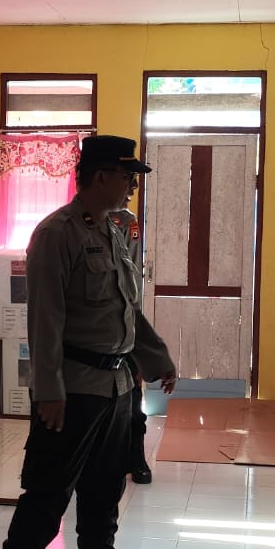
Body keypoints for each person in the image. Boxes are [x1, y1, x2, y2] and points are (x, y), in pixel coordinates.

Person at [0, 135, 178, 549]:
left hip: (116, 386)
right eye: (127, 175)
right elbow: (45, 319)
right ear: (101, 176)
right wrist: (48, 390)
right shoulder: (57, 234)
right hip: (73, 389)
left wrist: (156, 357)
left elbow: (126, 311)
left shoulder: (114, 232)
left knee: (104, 488)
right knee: (49, 490)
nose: (132, 185)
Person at [106, 204, 154, 484]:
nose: (131, 186)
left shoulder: (127, 221)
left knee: (134, 400)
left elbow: (133, 273)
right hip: (90, 330)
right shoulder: (69, 225)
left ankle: (136, 458)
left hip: (125, 320)